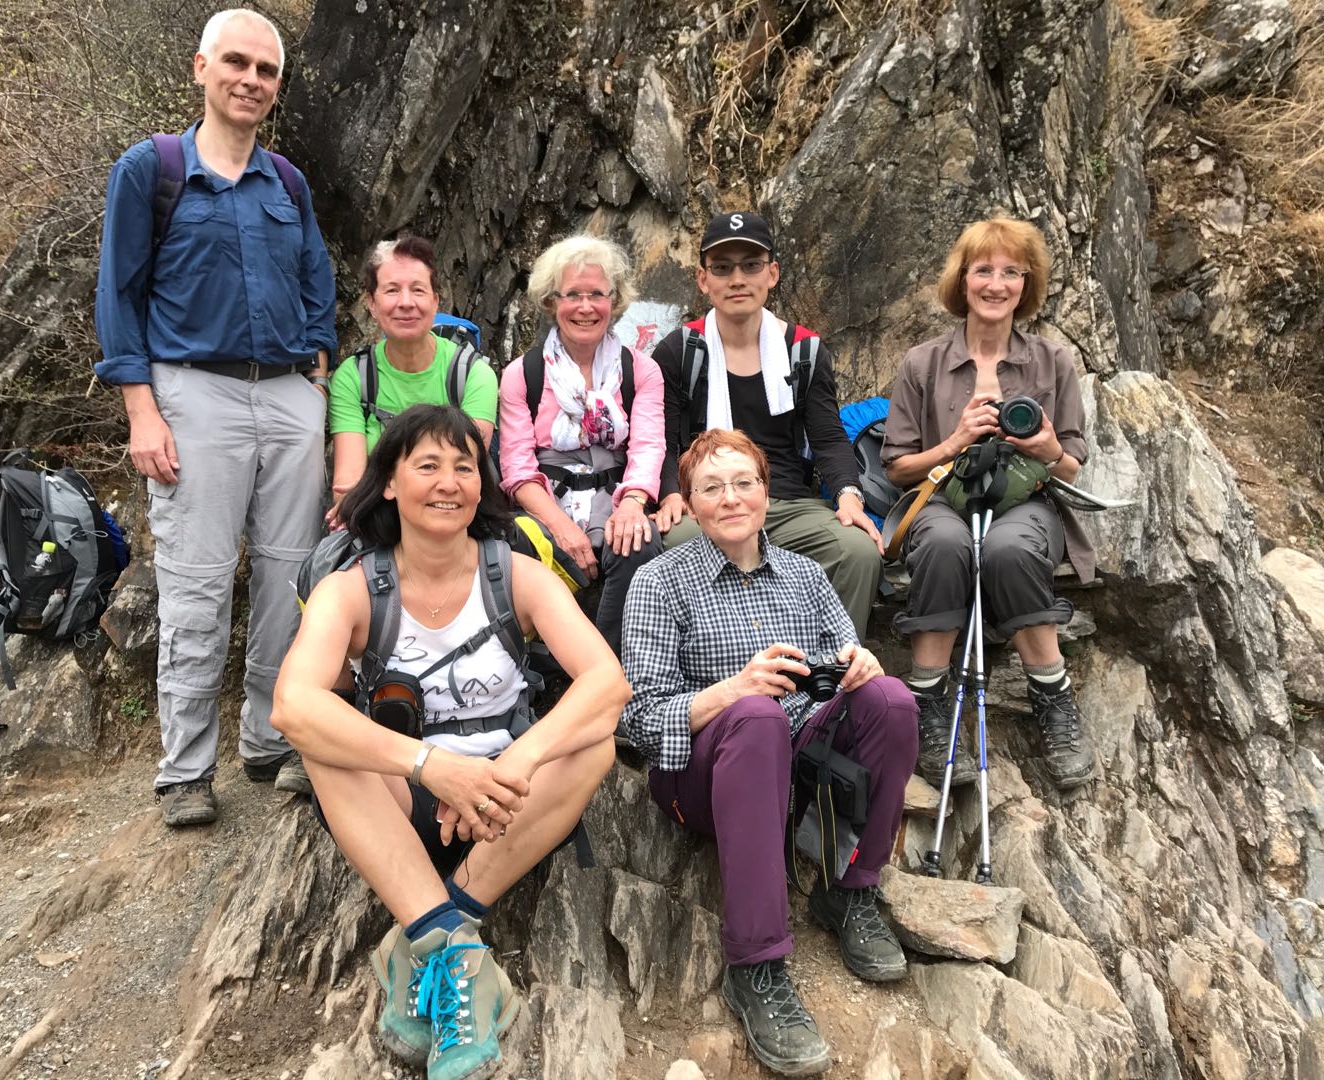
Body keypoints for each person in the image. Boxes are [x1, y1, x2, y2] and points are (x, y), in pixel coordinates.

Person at [272, 404, 626, 1080]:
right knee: (322, 741)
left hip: (502, 805)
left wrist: (508, 767)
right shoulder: (350, 590)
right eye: (427, 465)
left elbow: (607, 684)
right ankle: (457, 949)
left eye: (465, 466)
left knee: (593, 742)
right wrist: (434, 768)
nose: (448, 481)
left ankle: (425, 934)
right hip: (399, 803)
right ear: (389, 485)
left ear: (482, 487)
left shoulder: (515, 575)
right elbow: (291, 705)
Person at [95, 8, 337, 826]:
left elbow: (316, 277)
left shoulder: (288, 182)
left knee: (289, 576)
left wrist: (316, 369)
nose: (251, 81)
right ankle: (185, 769)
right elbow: (118, 293)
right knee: (196, 585)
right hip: (191, 393)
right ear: (202, 67)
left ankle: (269, 739)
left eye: (266, 70)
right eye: (237, 63)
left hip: (288, 396)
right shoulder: (151, 168)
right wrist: (141, 409)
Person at [621, 428, 918, 1077]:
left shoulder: (808, 577)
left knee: (892, 700)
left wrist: (860, 665)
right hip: (701, 777)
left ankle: (849, 890)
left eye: (744, 483)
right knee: (754, 716)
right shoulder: (659, 584)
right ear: (691, 503)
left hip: (800, 769)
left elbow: (847, 665)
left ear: (766, 491)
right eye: (712, 487)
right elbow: (639, 720)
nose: (730, 498)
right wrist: (735, 689)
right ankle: (755, 964)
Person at [882, 214, 1096, 790]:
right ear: (963, 279)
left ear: (1027, 285)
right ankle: (928, 702)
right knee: (946, 544)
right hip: (940, 500)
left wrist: (1045, 443)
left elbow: (1071, 462)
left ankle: (1053, 698)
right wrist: (954, 441)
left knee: (1008, 549)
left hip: (1027, 501)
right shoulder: (922, 363)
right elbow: (897, 464)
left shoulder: (1053, 361)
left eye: (1011, 272)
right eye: (984, 270)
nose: (996, 284)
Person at [650, 211, 883, 636]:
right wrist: (670, 493)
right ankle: (715, 666)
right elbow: (662, 439)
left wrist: (849, 496)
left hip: (787, 502)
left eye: (751, 265)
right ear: (703, 280)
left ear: (772, 273)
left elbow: (829, 438)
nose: (737, 278)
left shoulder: (804, 351)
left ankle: (835, 673)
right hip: (707, 501)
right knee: (677, 541)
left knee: (856, 550)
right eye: (722, 268)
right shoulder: (681, 351)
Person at [497, 235, 664, 654]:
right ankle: (538, 664)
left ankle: (608, 666)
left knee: (640, 542)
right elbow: (517, 468)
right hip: (548, 502)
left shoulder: (640, 370)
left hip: (616, 494)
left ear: (615, 300)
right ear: (552, 301)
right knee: (517, 542)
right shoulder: (523, 374)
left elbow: (647, 447)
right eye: (572, 294)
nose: (585, 307)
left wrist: (632, 505)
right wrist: (561, 528)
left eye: (597, 295)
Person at [327, 236, 499, 528]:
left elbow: (463, 469)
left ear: (435, 301)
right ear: (371, 302)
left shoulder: (473, 374)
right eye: (392, 290)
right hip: (379, 522)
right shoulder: (354, 376)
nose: (406, 303)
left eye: (418, 290)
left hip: (455, 519)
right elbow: (348, 484)